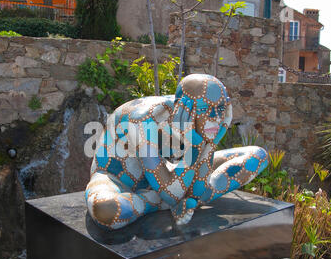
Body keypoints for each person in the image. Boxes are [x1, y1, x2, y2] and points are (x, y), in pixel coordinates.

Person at [85, 74, 268, 230]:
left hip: (170, 175)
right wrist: (195, 149)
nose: (216, 118)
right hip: (116, 181)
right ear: (183, 107)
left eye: (221, 109)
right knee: (107, 210)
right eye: (205, 110)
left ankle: (168, 201)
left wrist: (210, 143)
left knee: (257, 156)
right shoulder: (141, 120)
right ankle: (151, 202)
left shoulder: (199, 118)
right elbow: (171, 195)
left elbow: (196, 190)